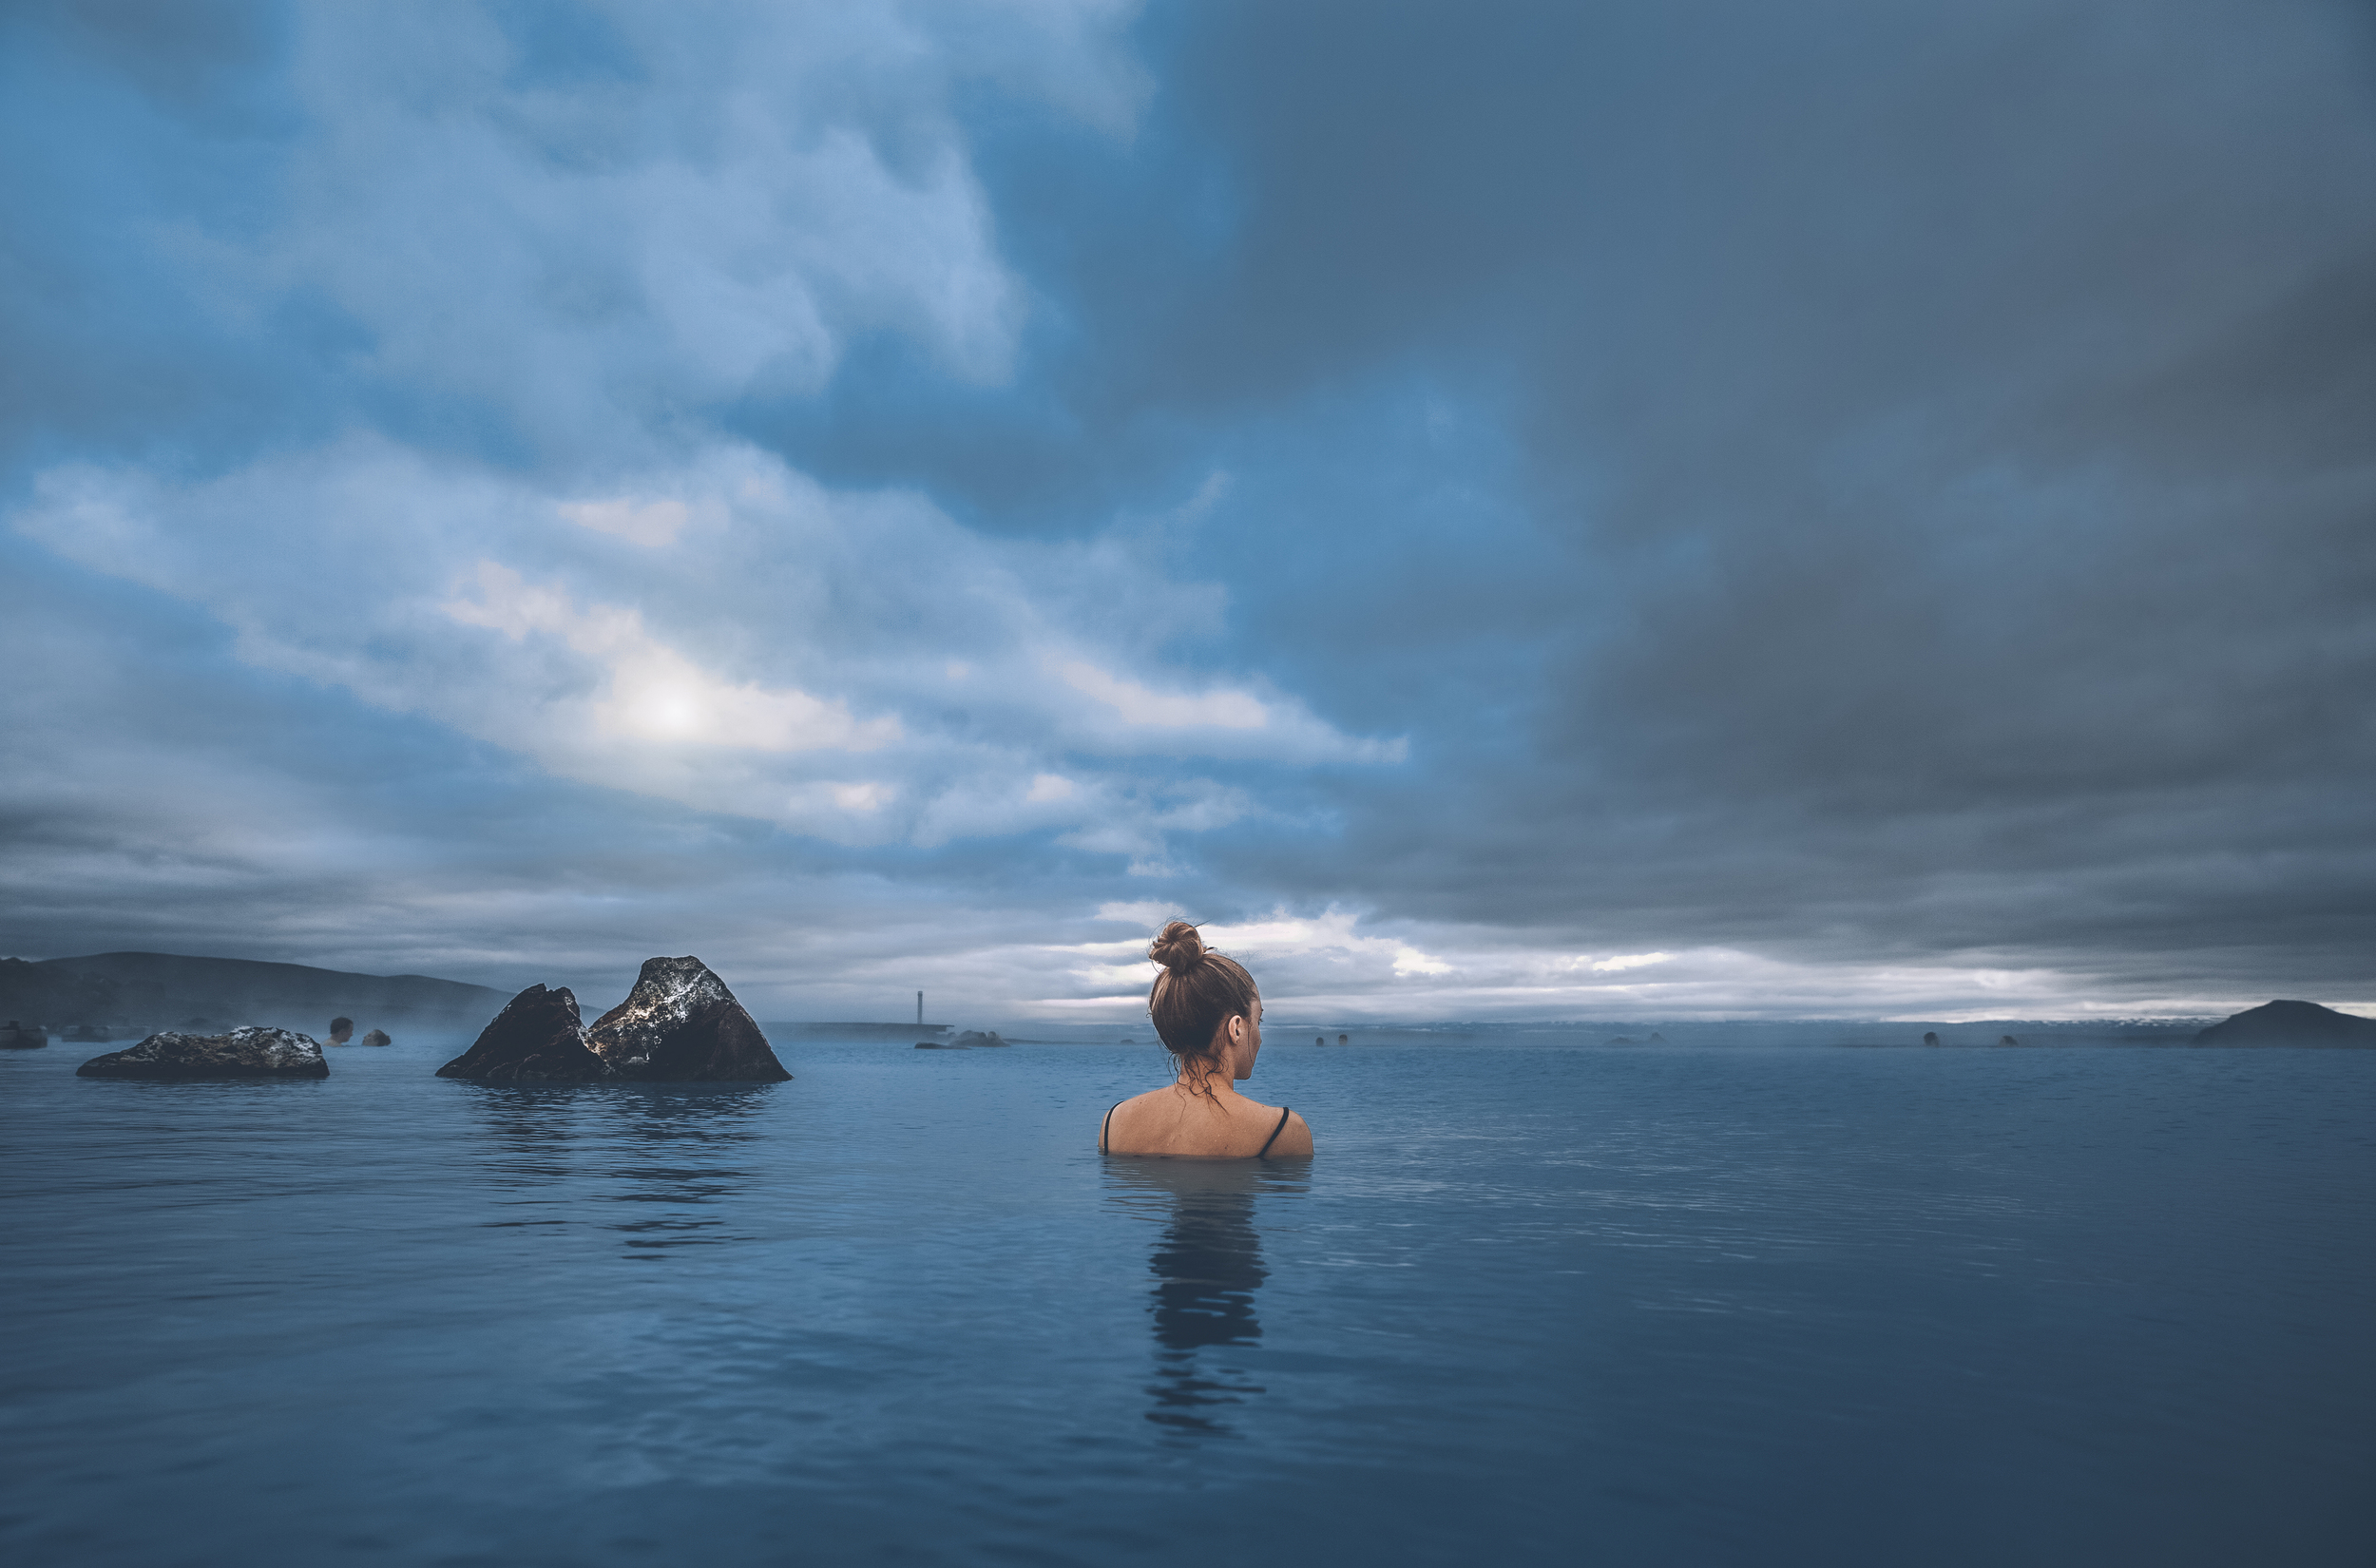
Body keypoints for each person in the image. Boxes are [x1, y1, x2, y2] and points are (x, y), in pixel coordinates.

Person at [1099, 921, 1313, 1159]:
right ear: (1236, 1028)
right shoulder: (1282, 1131)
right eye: (1258, 1021)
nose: (1260, 1038)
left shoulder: (1113, 1123)